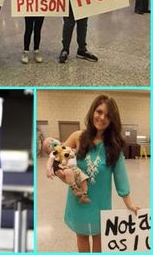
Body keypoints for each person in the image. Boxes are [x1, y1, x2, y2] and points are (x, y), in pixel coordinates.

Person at [57, 94, 139, 252]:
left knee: (99, 237)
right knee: (81, 236)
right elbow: (57, 158)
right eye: (99, 111)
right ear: (92, 111)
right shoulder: (77, 136)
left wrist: (129, 204)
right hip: (78, 201)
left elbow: (121, 178)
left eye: (107, 115)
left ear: (112, 120)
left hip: (101, 203)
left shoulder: (114, 146)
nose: (102, 117)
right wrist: (64, 175)